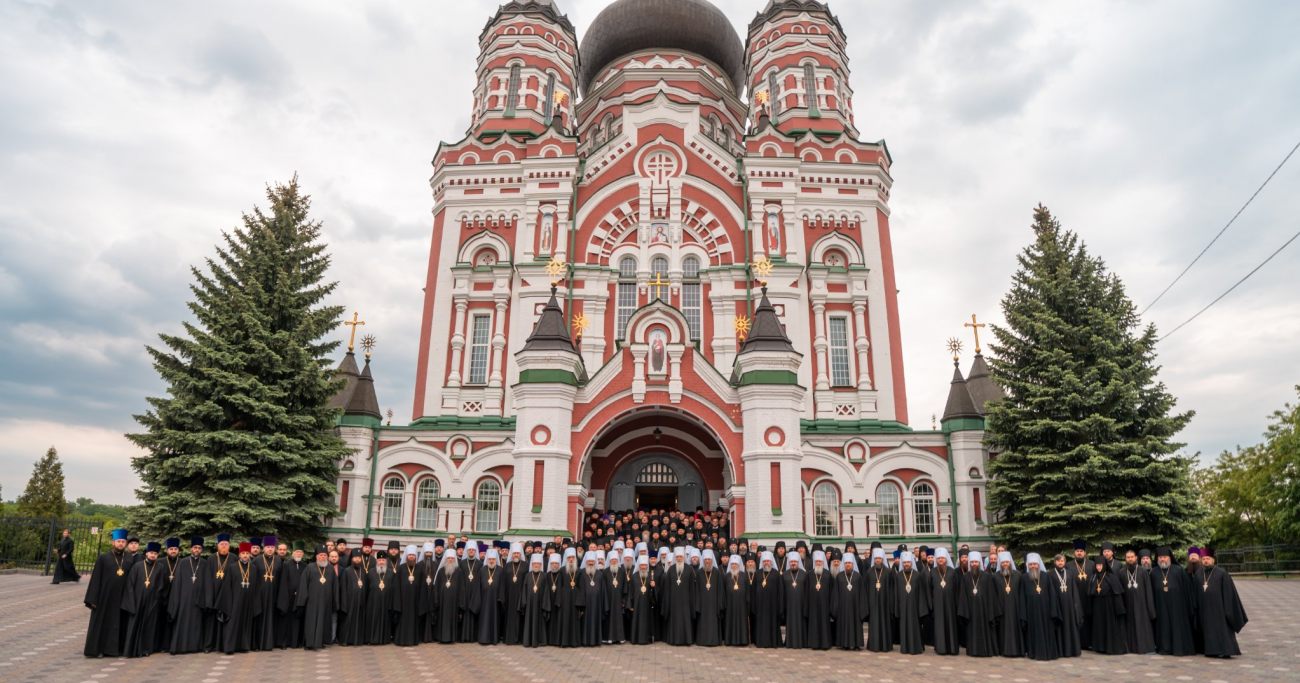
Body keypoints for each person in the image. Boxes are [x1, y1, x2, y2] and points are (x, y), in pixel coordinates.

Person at [84, 527, 133, 657]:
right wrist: (93, 598)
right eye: (118, 541)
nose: (121, 544)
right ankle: (98, 650)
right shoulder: (103, 558)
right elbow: (96, 579)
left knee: (121, 623)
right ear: (113, 542)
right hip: (105, 597)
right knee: (102, 623)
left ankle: (117, 650)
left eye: (123, 541)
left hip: (123, 597)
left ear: (126, 543)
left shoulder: (129, 559)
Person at [1197, 548, 1248, 658]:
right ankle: (1211, 651)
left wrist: (1228, 609)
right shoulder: (1198, 573)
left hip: (1220, 608)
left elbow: (1229, 593)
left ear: (1213, 560)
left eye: (1208, 559)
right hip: (1205, 609)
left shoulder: (1222, 573)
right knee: (1208, 630)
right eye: (1204, 559)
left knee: (1223, 629)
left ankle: (1226, 650)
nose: (1206, 561)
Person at [215, 542, 262, 654]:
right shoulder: (232, 567)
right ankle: (229, 647)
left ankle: (243, 646)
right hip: (235, 601)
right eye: (243, 553)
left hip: (248, 601)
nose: (245, 555)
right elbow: (227, 586)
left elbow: (257, 587)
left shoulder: (253, 568)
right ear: (239, 555)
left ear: (249, 554)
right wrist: (228, 603)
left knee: (245, 623)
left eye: (247, 553)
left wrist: (256, 602)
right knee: (233, 624)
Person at [121, 541, 165, 657]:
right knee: (134, 625)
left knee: (149, 626)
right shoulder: (137, 566)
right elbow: (130, 585)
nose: (153, 555)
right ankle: (131, 650)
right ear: (146, 553)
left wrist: (156, 601)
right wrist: (132, 601)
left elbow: (161, 586)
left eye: (155, 554)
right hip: (137, 601)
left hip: (152, 602)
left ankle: (146, 649)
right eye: (151, 553)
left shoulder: (160, 567)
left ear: (157, 555)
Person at [1152, 547, 1197, 656]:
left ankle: (1179, 648)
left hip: (1178, 606)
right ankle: (1165, 648)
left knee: (1177, 627)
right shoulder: (1154, 572)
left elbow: (1187, 589)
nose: (1163, 559)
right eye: (1160, 557)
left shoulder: (1178, 570)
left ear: (1170, 558)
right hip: (1160, 606)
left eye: (1165, 557)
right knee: (1163, 626)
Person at [168, 536, 208, 654]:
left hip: (198, 599)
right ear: (191, 549)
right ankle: (181, 647)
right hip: (184, 599)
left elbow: (207, 583)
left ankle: (195, 647)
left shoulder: (205, 563)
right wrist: (177, 599)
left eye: (199, 548)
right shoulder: (183, 562)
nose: (197, 550)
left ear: (201, 550)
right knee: (183, 623)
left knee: (196, 624)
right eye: (195, 547)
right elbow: (177, 583)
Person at [956, 550, 1001, 657]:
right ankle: (973, 651)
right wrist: (964, 611)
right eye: (972, 562)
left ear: (979, 563)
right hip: (971, 610)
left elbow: (991, 595)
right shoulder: (965, 577)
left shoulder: (987, 576)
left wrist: (990, 611)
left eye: (976, 562)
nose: (974, 564)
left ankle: (986, 650)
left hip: (984, 610)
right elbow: (963, 596)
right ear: (970, 563)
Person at [297, 545, 338, 650]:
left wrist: (335, 602)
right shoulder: (310, 567)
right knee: (311, 622)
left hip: (326, 602)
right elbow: (303, 585)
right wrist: (302, 601)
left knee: (324, 622)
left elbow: (335, 586)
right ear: (316, 556)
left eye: (324, 555)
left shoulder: (330, 569)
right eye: (320, 555)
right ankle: (309, 643)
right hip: (312, 602)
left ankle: (320, 642)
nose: (323, 557)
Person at [1019, 553, 1059, 660]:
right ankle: (1034, 653)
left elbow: (1052, 595)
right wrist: (1023, 615)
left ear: (1039, 564)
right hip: (1031, 611)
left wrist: (1053, 611)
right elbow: (1022, 597)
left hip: (1046, 611)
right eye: (1031, 564)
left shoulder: (1046, 576)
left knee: (1047, 631)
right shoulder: (1024, 578)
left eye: (1035, 564)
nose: (1033, 566)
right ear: (1028, 565)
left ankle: (1049, 653)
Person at [1119, 548, 1157, 654]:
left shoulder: (1143, 571)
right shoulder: (1121, 572)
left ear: (1136, 558)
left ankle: (1145, 648)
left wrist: (1150, 609)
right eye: (1128, 557)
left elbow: (1148, 590)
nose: (1130, 559)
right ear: (1125, 559)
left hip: (1142, 605)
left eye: (1132, 557)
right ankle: (1130, 648)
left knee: (1142, 626)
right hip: (1128, 604)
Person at [1088, 555, 1128, 654]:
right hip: (1097, 606)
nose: (1098, 567)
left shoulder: (1111, 577)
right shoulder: (1093, 577)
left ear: (1104, 565)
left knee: (1109, 627)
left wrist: (1118, 608)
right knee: (1099, 626)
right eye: (1097, 565)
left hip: (1109, 606)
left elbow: (1117, 593)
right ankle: (1100, 647)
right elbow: (1090, 593)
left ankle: (1109, 647)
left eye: (1100, 565)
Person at [1049, 553, 1084, 657]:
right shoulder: (1050, 574)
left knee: (1070, 626)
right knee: (1060, 628)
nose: (1060, 563)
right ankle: (1061, 651)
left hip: (1069, 606)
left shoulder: (1070, 573)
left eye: (1062, 561)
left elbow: (1074, 590)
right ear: (1055, 562)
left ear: (1064, 562)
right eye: (1058, 561)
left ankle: (1071, 650)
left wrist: (1076, 605)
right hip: (1058, 605)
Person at [895, 551, 929, 655]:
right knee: (904, 626)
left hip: (914, 607)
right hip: (903, 607)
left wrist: (921, 609)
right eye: (904, 562)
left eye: (908, 562)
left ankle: (916, 647)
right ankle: (905, 648)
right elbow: (896, 593)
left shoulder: (917, 575)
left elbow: (921, 593)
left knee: (915, 627)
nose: (906, 564)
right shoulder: (898, 576)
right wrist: (897, 608)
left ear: (911, 563)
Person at [392, 545, 426, 647]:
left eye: (413, 555)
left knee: (413, 621)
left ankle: (413, 640)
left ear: (416, 557)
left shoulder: (420, 569)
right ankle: (401, 640)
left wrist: (421, 602)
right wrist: (397, 602)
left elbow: (423, 587)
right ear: (406, 556)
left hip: (415, 601)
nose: (411, 557)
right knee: (402, 621)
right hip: (403, 601)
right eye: (410, 555)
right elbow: (396, 586)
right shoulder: (401, 568)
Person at [276, 543, 308, 649]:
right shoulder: (286, 565)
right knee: (285, 621)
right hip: (288, 598)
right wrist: (284, 598)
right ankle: (284, 643)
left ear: (303, 554)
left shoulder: (305, 566)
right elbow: (283, 582)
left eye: (300, 552)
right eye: (297, 552)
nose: (298, 554)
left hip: (299, 598)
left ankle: (295, 642)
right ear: (293, 553)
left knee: (296, 620)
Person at [660, 547, 695, 645]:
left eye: (681, 557)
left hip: (686, 602)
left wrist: (692, 603)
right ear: (675, 558)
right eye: (677, 557)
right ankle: (674, 640)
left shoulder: (689, 569)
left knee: (685, 620)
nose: (679, 558)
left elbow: (692, 588)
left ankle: (686, 640)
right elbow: (667, 589)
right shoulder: (671, 569)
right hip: (673, 602)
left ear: (684, 557)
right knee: (674, 620)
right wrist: (667, 603)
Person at [930, 547, 960, 655]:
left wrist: (956, 604)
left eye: (942, 558)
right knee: (939, 626)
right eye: (938, 558)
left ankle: (952, 648)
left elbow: (957, 589)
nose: (941, 560)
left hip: (950, 605)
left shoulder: (952, 572)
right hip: (937, 605)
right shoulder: (932, 572)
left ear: (946, 559)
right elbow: (930, 589)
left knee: (951, 625)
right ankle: (940, 648)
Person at [865, 547, 895, 652]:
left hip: (885, 603)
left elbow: (892, 589)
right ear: (874, 559)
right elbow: (866, 589)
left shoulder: (888, 572)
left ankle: (885, 645)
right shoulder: (869, 572)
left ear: (882, 559)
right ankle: (874, 645)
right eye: (876, 558)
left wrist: (890, 603)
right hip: (872, 603)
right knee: (874, 624)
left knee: (885, 623)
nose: (878, 560)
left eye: (879, 558)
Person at [833, 554, 866, 650]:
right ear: (844, 564)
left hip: (855, 607)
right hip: (843, 608)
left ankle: (856, 644)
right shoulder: (839, 576)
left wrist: (862, 608)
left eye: (849, 563)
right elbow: (836, 594)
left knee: (856, 624)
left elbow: (862, 594)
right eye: (846, 563)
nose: (848, 565)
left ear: (853, 564)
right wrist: (836, 608)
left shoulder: (858, 576)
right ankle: (844, 644)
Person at [995, 550, 1025, 657]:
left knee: (1016, 629)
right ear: (1000, 564)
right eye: (1003, 562)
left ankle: (1017, 650)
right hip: (1002, 609)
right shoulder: (995, 576)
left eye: (1007, 562)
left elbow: (1022, 592)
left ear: (1010, 562)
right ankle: (1004, 650)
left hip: (1016, 608)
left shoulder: (1018, 575)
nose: (1005, 564)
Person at [576, 550, 608, 646]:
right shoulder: (581, 573)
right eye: (589, 561)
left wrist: (604, 604)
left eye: (592, 561)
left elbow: (603, 590)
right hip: (585, 603)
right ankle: (585, 641)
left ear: (595, 562)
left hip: (597, 604)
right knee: (585, 622)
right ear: (586, 561)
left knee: (596, 621)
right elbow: (579, 588)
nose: (590, 563)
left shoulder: (599, 574)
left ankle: (596, 640)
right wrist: (580, 605)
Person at [752, 550, 783, 647]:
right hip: (760, 606)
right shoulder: (757, 573)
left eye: (768, 561)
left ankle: (772, 642)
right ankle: (761, 642)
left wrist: (780, 607)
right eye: (764, 561)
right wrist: (754, 606)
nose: (766, 563)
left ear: (771, 562)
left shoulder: (776, 574)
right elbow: (753, 591)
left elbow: (780, 592)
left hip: (773, 606)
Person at [337, 549, 368, 645]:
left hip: (361, 602)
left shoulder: (363, 571)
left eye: (359, 558)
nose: (357, 560)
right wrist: (344, 604)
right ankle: (346, 640)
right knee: (348, 622)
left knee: (359, 621)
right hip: (349, 602)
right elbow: (343, 588)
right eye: (355, 558)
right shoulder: (346, 571)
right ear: (351, 559)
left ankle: (358, 640)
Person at [430, 553, 463, 644]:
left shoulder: (459, 571)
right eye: (448, 558)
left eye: (452, 558)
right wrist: (436, 600)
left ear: (455, 559)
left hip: (454, 602)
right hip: (442, 602)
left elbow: (461, 588)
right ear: (445, 559)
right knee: (442, 619)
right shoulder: (441, 571)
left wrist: (460, 602)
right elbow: (436, 587)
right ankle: (442, 638)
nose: (450, 560)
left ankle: (451, 638)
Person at [805, 550, 834, 650]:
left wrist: (831, 606)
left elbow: (831, 591)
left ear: (823, 562)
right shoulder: (809, 574)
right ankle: (814, 644)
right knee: (814, 623)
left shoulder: (828, 574)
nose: (818, 563)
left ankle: (825, 644)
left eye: (820, 561)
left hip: (825, 605)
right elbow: (806, 591)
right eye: (816, 561)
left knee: (824, 624)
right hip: (812, 605)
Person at [478, 548, 507, 644]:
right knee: (484, 619)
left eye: (493, 559)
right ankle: (484, 638)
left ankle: (494, 639)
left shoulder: (500, 570)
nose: (491, 561)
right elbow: (478, 586)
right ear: (487, 559)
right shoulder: (482, 570)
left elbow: (503, 585)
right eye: (489, 559)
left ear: (496, 560)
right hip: (484, 600)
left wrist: (501, 598)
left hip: (496, 600)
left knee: (495, 619)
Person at [520, 554, 550, 647]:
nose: (536, 565)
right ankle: (528, 640)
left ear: (541, 565)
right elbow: (524, 590)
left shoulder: (544, 576)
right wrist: (524, 602)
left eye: (538, 563)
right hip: (529, 605)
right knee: (529, 621)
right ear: (532, 564)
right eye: (534, 563)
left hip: (540, 604)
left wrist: (545, 604)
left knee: (539, 622)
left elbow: (546, 591)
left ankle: (540, 640)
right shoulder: (528, 575)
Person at [693, 549, 722, 646]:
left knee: (713, 622)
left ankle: (714, 641)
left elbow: (720, 590)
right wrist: (697, 605)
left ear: (712, 560)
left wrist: (719, 604)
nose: (707, 561)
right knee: (702, 622)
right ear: (703, 560)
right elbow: (696, 590)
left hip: (714, 604)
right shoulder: (699, 572)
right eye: (705, 559)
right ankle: (702, 641)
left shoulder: (717, 572)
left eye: (709, 559)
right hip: (702, 605)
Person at [365, 552, 396, 645]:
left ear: (386, 561)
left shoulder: (391, 573)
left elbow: (394, 588)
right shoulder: (370, 572)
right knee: (373, 620)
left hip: (387, 601)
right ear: (376, 561)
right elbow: (366, 588)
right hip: (373, 602)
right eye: (379, 560)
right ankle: (372, 639)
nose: (381, 562)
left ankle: (384, 639)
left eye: (383, 560)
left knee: (385, 619)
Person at [502, 542, 528, 645]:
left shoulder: (525, 565)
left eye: (518, 553)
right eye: (514, 553)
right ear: (511, 554)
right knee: (509, 617)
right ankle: (509, 638)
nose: (516, 555)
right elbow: (503, 582)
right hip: (509, 596)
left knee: (520, 617)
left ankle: (519, 638)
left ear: (520, 554)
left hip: (521, 595)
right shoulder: (507, 566)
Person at [722, 554, 750, 646]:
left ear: (739, 565)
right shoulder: (727, 576)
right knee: (730, 621)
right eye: (732, 564)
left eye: (736, 564)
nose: (734, 566)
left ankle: (743, 640)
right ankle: (730, 640)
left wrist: (747, 603)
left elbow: (747, 591)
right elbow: (724, 591)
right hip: (730, 605)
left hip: (742, 605)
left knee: (742, 622)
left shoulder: (744, 576)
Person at [782, 552, 807, 648]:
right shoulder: (784, 574)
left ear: (798, 562)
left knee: (801, 623)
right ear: (789, 563)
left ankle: (802, 642)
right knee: (790, 623)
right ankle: (790, 642)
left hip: (801, 604)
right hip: (789, 604)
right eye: (791, 561)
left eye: (795, 562)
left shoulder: (804, 574)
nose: (793, 563)